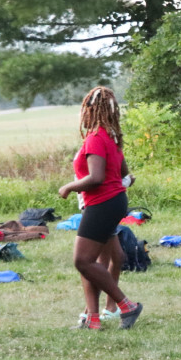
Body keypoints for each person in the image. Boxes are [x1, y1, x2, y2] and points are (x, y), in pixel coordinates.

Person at [58, 86, 143, 330]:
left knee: (82, 260)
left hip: (102, 203)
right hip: (113, 201)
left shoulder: (96, 138)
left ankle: (127, 306)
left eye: (84, 109)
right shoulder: (110, 137)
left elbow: (95, 178)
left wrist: (69, 186)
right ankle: (93, 319)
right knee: (93, 260)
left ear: (92, 110)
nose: (81, 114)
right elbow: (124, 173)